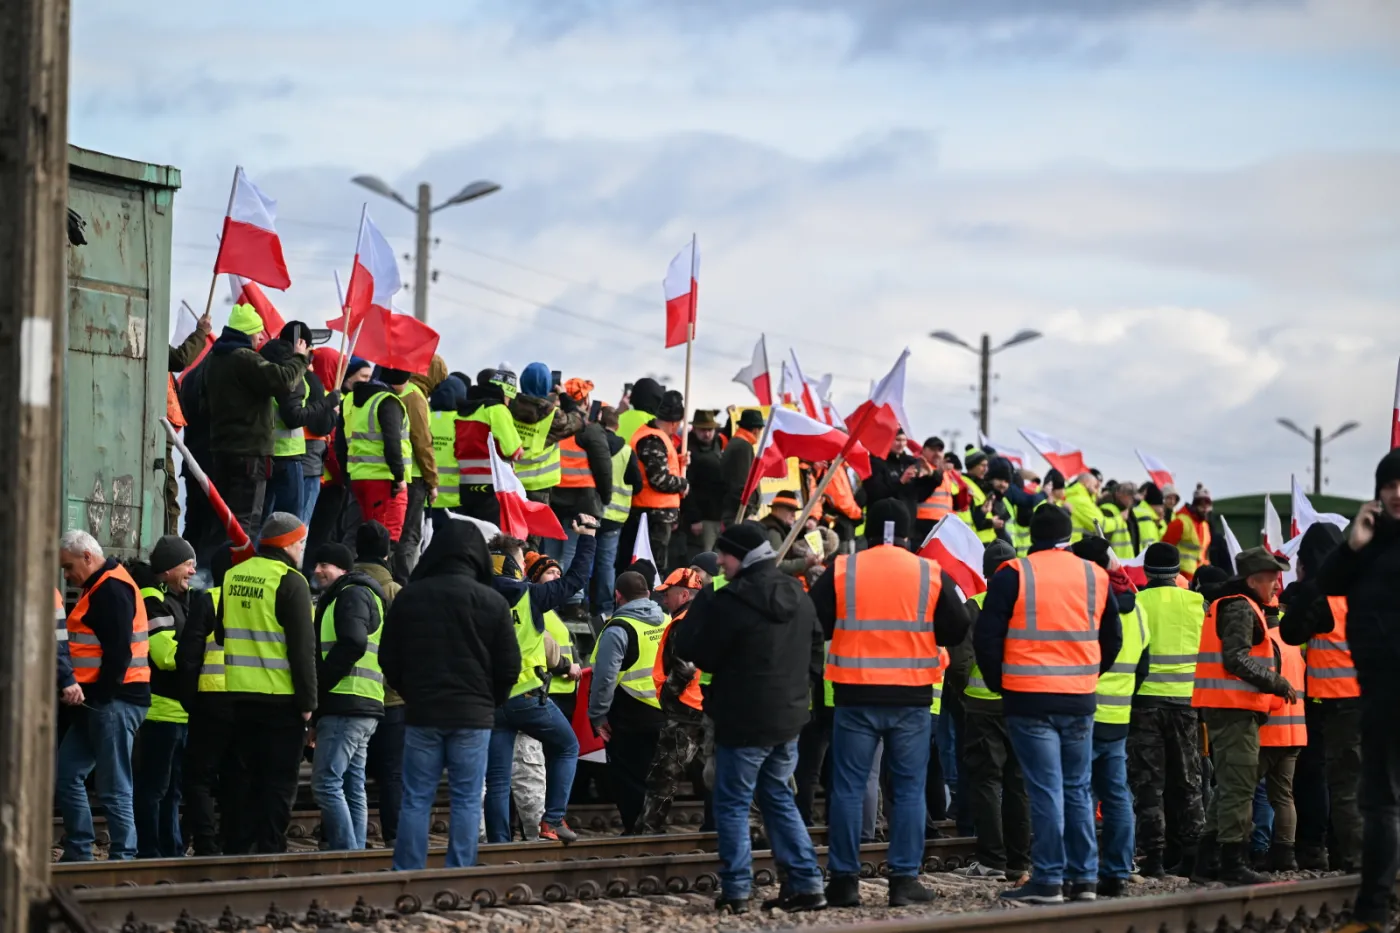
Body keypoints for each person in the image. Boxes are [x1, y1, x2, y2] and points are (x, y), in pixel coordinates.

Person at [810, 499, 970, 907]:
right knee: (909, 789)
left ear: (867, 531)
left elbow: (816, 620)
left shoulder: (843, 568)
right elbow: (957, 627)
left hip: (854, 695)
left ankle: (844, 882)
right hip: (911, 698)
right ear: (906, 532)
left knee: (846, 788)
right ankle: (903, 882)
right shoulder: (929, 572)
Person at [974, 504, 1122, 904]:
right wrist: (1089, 673)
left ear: (1032, 535)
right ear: (1067, 536)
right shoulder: (1095, 574)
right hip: (1079, 698)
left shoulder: (1013, 574)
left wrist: (1001, 684)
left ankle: (1050, 880)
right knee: (1077, 788)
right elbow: (1113, 638)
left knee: (1045, 790)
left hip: (1028, 698)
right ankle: (1084, 879)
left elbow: (986, 638)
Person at [677, 522, 827, 914]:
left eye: (724, 554)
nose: (720, 561)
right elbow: (815, 650)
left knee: (732, 804)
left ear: (740, 557)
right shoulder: (798, 593)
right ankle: (808, 884)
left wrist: (704, 602)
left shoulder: (731, 601)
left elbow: (696, 652)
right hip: (789, 719)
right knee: (778, 797)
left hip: (743, 722)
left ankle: (737, 891)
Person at [381, 518, 520, 870]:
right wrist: (490, 702)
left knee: (416, 799)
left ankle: (407, 871)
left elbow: (388, 658)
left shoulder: (409, 596)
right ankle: (459, 871)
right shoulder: (492, 602)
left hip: (423, 714)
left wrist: (412, 693)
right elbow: (509, 667)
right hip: (473, 718)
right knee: (467, 799)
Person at [1319, 450, 1400, 933]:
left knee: (1384, 800)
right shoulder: (1369, 544)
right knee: (1381, 800)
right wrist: (1353, 543)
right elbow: (1327, 583)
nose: (1397, 493)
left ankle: (1372, 912)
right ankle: (1372, 913)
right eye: (1390, 485)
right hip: (1380, 691)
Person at [1189, 547, 1295, 886]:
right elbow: (1235, 658)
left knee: (1230, 786)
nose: (1277, 585)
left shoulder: (1236, 604)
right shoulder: (1240, 607)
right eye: (1271, 579)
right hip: (1233, 708)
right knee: (1239, 786)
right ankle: (1233, 864)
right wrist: (1277, 682)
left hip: (1230, 708)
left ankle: (1206, 862)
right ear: (1253, 580)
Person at [485, 524, 596, 844]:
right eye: (520, 561)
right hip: (526, 696)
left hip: (492, 701)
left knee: (497, 780)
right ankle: (552, 820)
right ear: (510, 564)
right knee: (567, 746)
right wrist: (587, 539)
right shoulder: (529, 595)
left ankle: (498, 844)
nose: (523, 567)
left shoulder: (476, 597)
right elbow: (574, 581)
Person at [218, 512, 318, 853]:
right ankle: (269, 849)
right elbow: (303, 651)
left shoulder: (233, 576)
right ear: (289, 545)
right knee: (278, 782)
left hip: (238, 696)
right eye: (302, 543)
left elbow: (221, 633)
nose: (303, 549)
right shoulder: (291, 582)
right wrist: (308, 706)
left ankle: (237, 848)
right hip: (281, 700)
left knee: (244, 778)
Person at [55, 530, 150, 862]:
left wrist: (101, 698)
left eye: (68, 568)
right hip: (97, 704)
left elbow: (119, 654)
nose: (66, 576)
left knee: (113, 787)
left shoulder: (110, 588)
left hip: (113, 703)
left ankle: (123, 856)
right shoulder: (99, 586)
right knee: (67, 775)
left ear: (87, 557)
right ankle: (80, 849)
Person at [1279, 521, 1359, 872]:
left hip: (1337, 702)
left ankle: (1352, 859)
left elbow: (1291, 631)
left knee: (1340, 783)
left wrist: (1304, 588)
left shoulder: (1324, 593)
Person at [1071, 537, 1149, 898]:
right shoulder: (1138, 607)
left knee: (1080, 792)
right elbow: (1143, 665)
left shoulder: (1087, 599)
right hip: (1119, 715)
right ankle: (1117, 871)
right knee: (1117, 794)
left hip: (1085, 708)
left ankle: (1082, 870)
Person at [953, 540, 1031, 883]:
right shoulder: (1028, 604)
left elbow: (958, 663)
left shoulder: (974, 606)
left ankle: (991, 861)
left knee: (986, 781)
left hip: (982, 709)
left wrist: (966, 694)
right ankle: (1020, 862)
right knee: (1018, 783)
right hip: (1023, 704)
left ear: (985, 572)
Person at [1129, 543, 1207, 879]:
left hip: (1145, 703)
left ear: (1146, 571)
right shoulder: (1196, 603)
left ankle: (1156, 858)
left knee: (1150, 785)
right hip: (1187, 704)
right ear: (1178, 573)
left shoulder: (1136, 602)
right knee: (1188, 782)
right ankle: (1191, 855)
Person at [202, 303, 309, 538]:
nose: (262, 336)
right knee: (246, 522)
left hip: (221, 450)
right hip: (250, 454)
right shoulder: (244, 358)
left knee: (224, 520)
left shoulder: (214, 359)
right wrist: (300, 359)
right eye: (258, 331)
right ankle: (238, 571)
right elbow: (283, 380)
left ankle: (215, 571)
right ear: (248, 333)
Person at [309, 543, 386, 850]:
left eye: (324, 564)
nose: (317, 570)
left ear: (343, 569)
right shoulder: (364, 595)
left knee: (326, 783)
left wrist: (321, 684)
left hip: (346, 701)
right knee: (353, 785)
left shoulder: (350, 594)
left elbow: (352, 642)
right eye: (316, 563)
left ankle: (345, 853)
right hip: (364, 703)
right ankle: (355, 856)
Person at [131, 536, 198, 859]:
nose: (193, 570)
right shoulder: (153, 601)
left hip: (179, 713)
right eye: (188, 564)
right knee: (155, 789)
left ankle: (169, 850)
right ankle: (150, 851)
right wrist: (199, 652)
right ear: (169, 568)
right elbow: (164, 656)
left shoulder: (177, 600)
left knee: (171, 791)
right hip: (160, 713)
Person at [176, 546, 244, 856]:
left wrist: (189, 700)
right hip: (248, 701)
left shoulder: (209, 601)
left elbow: (188, 656)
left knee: (199, 778)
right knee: (235, 776)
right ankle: (233, 840)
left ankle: (205, 843)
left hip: (210, 701)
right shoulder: (253, 601)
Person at [589, 572, 669, 833]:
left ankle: (637, 830)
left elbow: (605, 679)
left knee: (628, 777)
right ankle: (654, 827)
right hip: (665, 710)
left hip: (630, 714)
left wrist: (598, 716)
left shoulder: (618, 628)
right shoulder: (666, 620)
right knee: (657, 776)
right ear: (648, 594)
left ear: (618, 596)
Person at [635, 568, 706, 834]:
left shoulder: (683, 623)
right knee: (714, 776)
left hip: (684, 711)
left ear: (684, 594)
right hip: (707, 708)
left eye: (668, 594)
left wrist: (667, 698)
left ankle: (648, 831)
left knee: (663, 777)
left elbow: (684, 669)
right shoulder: (708, 618)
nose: (664, 600)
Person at [354, 522, 406, 847]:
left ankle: (345, 838)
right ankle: (394, 837)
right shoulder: (394, 591)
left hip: (355, 692)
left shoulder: (347, 583)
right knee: (392, 775)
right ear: (387, 552)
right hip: (391, 697)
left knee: (351, 771)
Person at [262, 322, 342, 524]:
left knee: (263, 524)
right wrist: (329, 406)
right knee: (291, 527)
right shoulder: (299, 376)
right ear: (301, 344)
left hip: (263, 454)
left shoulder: (261, 364)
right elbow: (297, 418)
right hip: (290, 456)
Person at [547, 379, 613, 624]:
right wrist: (605, 496)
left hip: (554, 497)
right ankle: (573, 603)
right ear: (584, 401)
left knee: (553, 552)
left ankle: (550, 597)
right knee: (575, 553)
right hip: (583, 500)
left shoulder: (554, 425)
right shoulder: (589, 429)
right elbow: (603, 467)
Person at [1256, 597, 1306, 871]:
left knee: (1237, 791)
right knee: (1283, 795)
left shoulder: (1264, 640)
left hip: (1267, 730)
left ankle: (1232, 849)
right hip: (1294, 730)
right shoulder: (1292, 642)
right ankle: (1286, 855)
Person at [338, 368, 414, 548]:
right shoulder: (388, 401)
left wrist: (346, 475)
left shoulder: (352, 399)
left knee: (358, 535)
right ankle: (377, 576)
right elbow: (392, 443)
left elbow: (340, 444)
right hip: (385, 480)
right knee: (384, 541)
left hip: (358, 476)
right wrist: (399, 477)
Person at [618, 390, 689, 575]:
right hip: (651, 516)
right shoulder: (652, 439)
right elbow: (659, 479)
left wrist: (680, 464)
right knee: (652, 570)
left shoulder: (654, 437)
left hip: (654, 515)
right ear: (675, 423)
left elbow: (662, 468)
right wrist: (683, 484)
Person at [395, 355, 446, 581]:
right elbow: (422, 443)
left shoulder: (402, 391)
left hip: (398, 473)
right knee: (410, 536)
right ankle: (403, 584)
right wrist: (432, 481)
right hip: (414, 476)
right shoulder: (416, 397)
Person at [163, 306, 212, 534]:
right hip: (162, 429)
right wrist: (201, 333)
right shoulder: (151, 339)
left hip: (164, 428)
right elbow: (181, 359)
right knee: (168, 492)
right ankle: (171, 553)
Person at [453, 368, 523, 525]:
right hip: (492, 485)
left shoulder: (462, 410)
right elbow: (512, 450)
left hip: (464, 484)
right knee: (494, 539)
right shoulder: (497, 410)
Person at [509, 362, 584, 504]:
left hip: (510, 482)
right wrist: (563, 395)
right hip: (539, 487)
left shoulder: (507, 408)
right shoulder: (554, 416)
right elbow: (579, 421)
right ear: (548, 385)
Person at [595, 406, 641, 617]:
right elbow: (637, 483)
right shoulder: (626, 450)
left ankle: (577, 603)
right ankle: (604, 608)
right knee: (606, 564)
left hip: (590, 510)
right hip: (614, 517)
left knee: (583, 558)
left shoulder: (591, 444)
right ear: (617, 425)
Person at [680, 409, 726, 557]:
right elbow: (686, 486)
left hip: (720, 515)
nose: (707, 434)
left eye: (710, 430)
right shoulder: (686, 450)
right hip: (702, 518)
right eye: (703, 430)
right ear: (694, 429)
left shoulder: (718, 443)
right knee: (703, 560)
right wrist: (694, 518)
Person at [758, 490, 821, 580]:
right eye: (790, 510)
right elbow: (778, 564)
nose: (793, 514)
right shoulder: (773, 531)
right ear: (777, 509)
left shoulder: (775, 525)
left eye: (795, 511)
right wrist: (805, 562)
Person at [720, 408, 764, 522]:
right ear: (755, 430)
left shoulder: (737, 443)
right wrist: (747, 511)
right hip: (738, 514)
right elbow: (741, 483)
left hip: (735, 512)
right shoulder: (743, 447)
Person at [1164, 484, 1214, 581]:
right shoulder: (1180, 522)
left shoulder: (1205, 525)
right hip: (1180, 577)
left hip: (1198, 577)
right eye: (1202, 505)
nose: (1205, 509)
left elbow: (1203, 553)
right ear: (1195, 505)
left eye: (1207, 506)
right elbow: (1165, 550)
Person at [1098, 482, 1139, 560]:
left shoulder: (1127, 510)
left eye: (1133, 496)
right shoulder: (1108, 509)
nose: (1132, 499)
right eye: (1130, 495)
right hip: (1113, 563)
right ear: (1118, 493)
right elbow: (1103, 540)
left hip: (1126, 562)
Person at [1064, 472, 1105, 543]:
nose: (1097, 488)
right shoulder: (1081, 499)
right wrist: (1119, 519)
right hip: (1072, 545)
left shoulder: (1072, 494)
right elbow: (1100, 524)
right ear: (1086, 482)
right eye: (1095, 485)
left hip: (1067, 544)